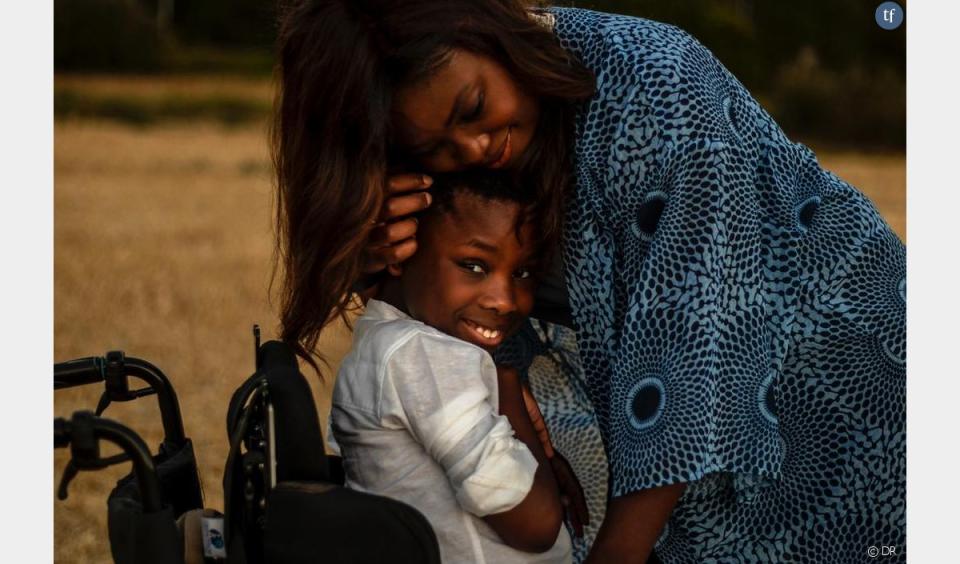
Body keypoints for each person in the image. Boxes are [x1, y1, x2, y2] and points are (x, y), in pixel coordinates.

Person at [272, 1, 906, 562]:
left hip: (853, 364)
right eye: (435, 147)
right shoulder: (473, 157)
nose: (473, 147)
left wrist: (621, 550)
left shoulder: (658, 85)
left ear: (488, 26)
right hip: (705, 407)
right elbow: (462, 314)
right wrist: (382, 253)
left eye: (473, 108)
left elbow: (698, 336)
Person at [329, 170, 579, 563]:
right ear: (400, 255)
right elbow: (536, 524)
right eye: (474, 265)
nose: (504, 300)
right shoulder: (424, 356)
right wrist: (507, 383)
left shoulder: (386, 342)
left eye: (523, 273)